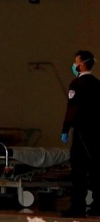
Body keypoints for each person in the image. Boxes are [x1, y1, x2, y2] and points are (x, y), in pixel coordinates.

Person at [60, 50, 100, 218]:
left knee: (78, 171)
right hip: (96, 133)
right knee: (96, 170)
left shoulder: (77, 84)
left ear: (82, 64)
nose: (74, 64)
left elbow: (72, 109)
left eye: (76, 61)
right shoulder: (98, 84)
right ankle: (97, 206)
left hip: (82, 133)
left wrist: (65, 130)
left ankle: (78, 207)